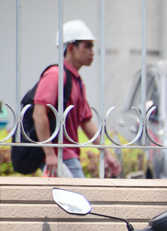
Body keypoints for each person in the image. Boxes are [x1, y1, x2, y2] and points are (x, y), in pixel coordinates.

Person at [33, 20, 121, 178]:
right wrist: (50, 154)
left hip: (69, 156)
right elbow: (39, 114)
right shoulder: (55, 75)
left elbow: (86, 121)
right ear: (71, 49)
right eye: (87, 46)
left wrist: (106, 153)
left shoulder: (76, 81)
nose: (92, 52)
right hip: (59, 158)